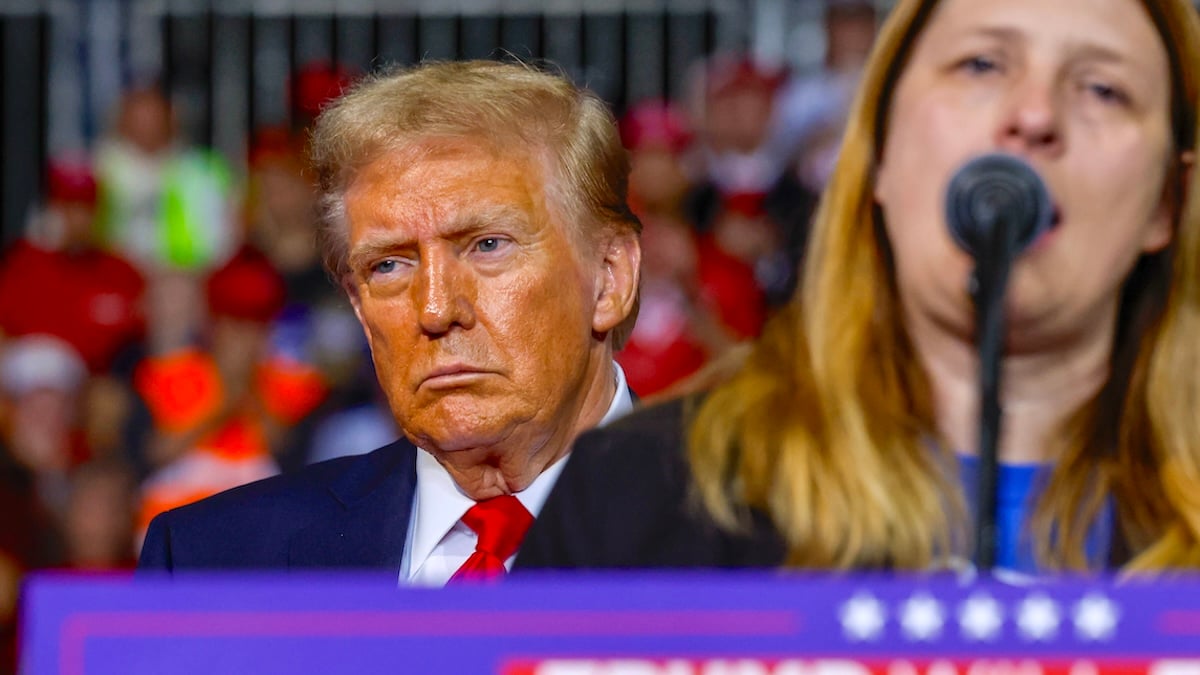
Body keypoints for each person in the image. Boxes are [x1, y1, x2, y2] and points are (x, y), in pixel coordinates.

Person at [518, 0, 1200, 575]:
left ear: (1168, 200)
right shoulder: (639, 492)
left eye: (1103, 88)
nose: (1034, 114)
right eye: (983, 65)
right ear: (878, 152)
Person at [137, 60, 642, 584]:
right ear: (358, 305)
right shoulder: (211, 564)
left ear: (609, 278)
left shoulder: (730, 543)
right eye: (390, 264)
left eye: (488, 245)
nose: (435, 309)